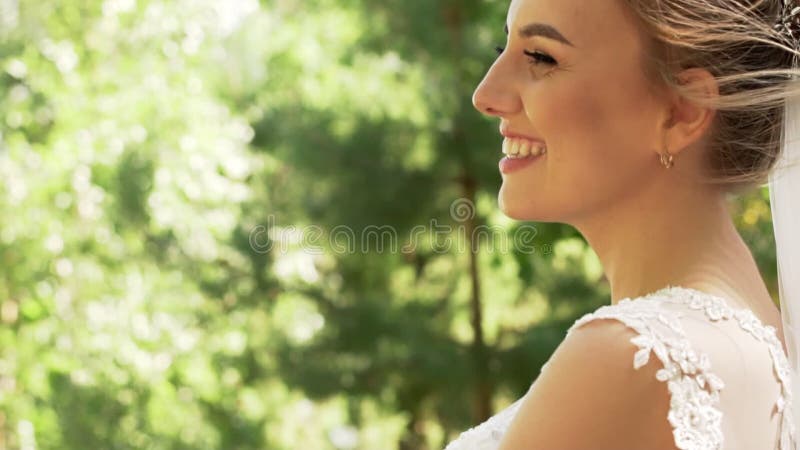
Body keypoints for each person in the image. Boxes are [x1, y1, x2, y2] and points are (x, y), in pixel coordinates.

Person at [445, 0, 800, 449]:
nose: (486, 95)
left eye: (540, 57)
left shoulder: (630, 357)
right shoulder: (768, 349)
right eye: (504, 46)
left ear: (682, 111)